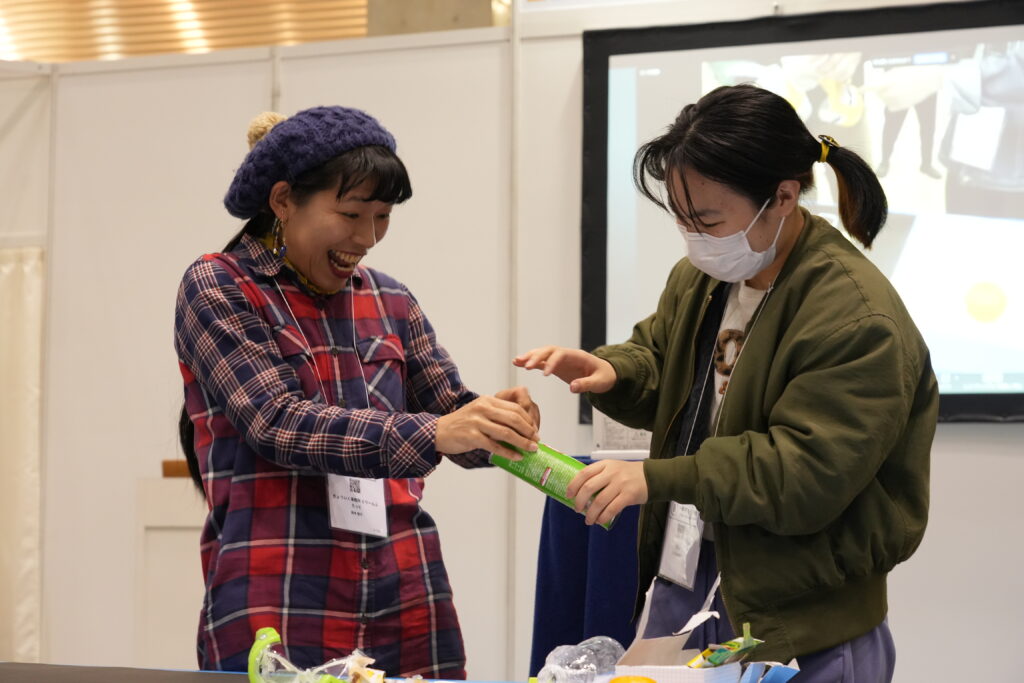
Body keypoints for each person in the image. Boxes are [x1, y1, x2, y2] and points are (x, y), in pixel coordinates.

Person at [515, 84, 938, 682]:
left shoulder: (855, 315)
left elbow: (802, 473)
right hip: (691, 585)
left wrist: (657, 478)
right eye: (681, 218)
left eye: (708, 220)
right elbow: (666, 364)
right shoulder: (703, 278)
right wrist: (614, 373)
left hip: (802, 619)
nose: (693, 237)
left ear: (783, 197)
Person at [175, 106, 540, 677]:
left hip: (404, 586)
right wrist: (440, 431)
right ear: (282, 201)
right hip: (281, 585)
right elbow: (277, 422)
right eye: (350, 214)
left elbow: (449, 411)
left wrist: (494, 422)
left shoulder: (390, 299)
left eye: (383, 217)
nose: (367, 239)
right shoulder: (220, 284)